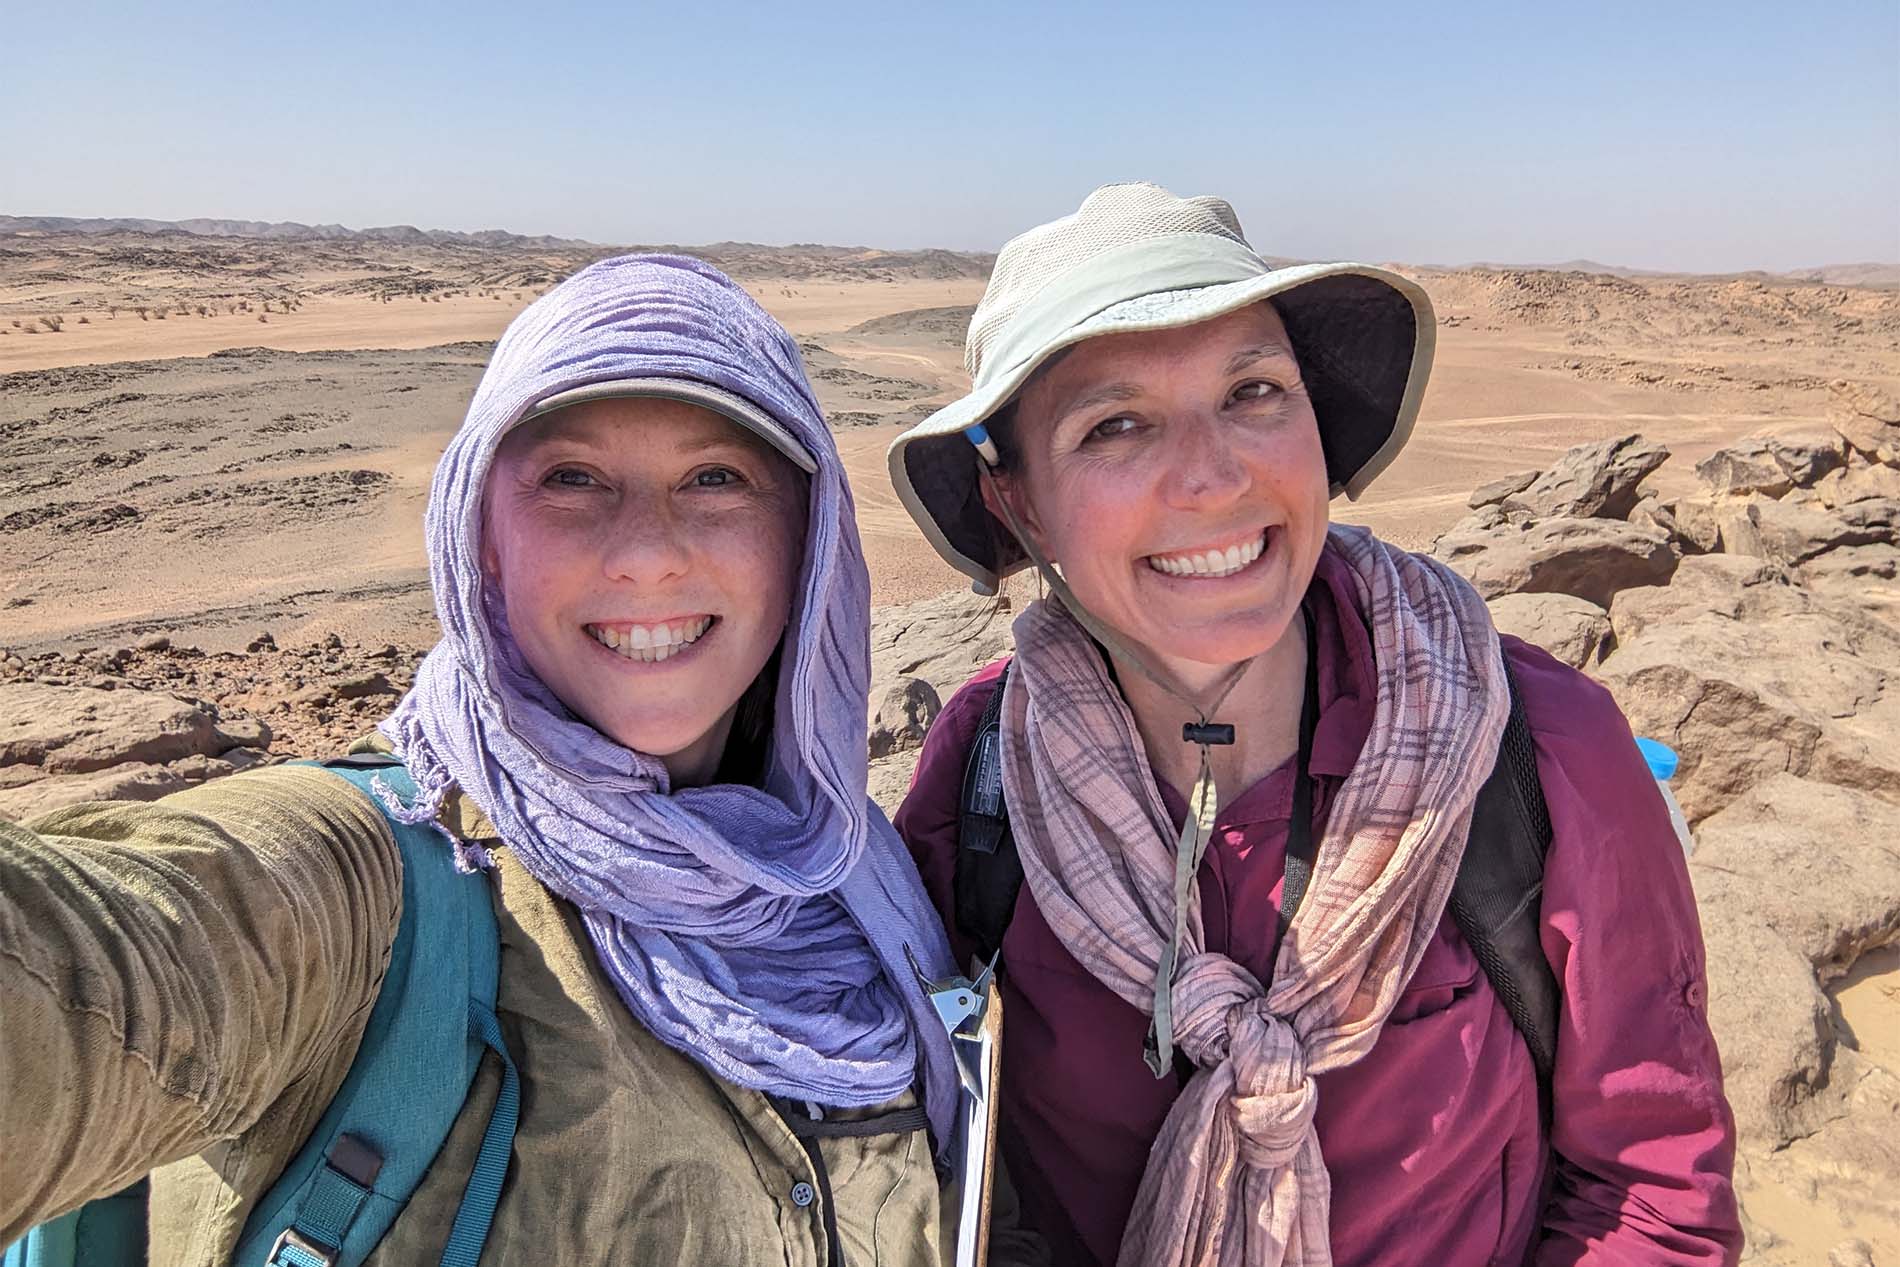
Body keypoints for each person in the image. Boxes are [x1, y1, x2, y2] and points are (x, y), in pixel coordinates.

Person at [0, 255, 993, 1265]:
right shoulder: (366, 896)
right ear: (481, 534)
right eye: (571, 478)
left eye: (715, 477)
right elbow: (90, 977)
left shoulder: (855, 874)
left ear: (808, 537)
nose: (645, 551)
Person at [888, 183, 1743, 1266]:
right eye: (1114, 424)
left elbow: (1650, 1190)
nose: (1212, 474)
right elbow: (945, 1158)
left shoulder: (1533, 746)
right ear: (1017, 504)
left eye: (1254, 392)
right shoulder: (983, 771)